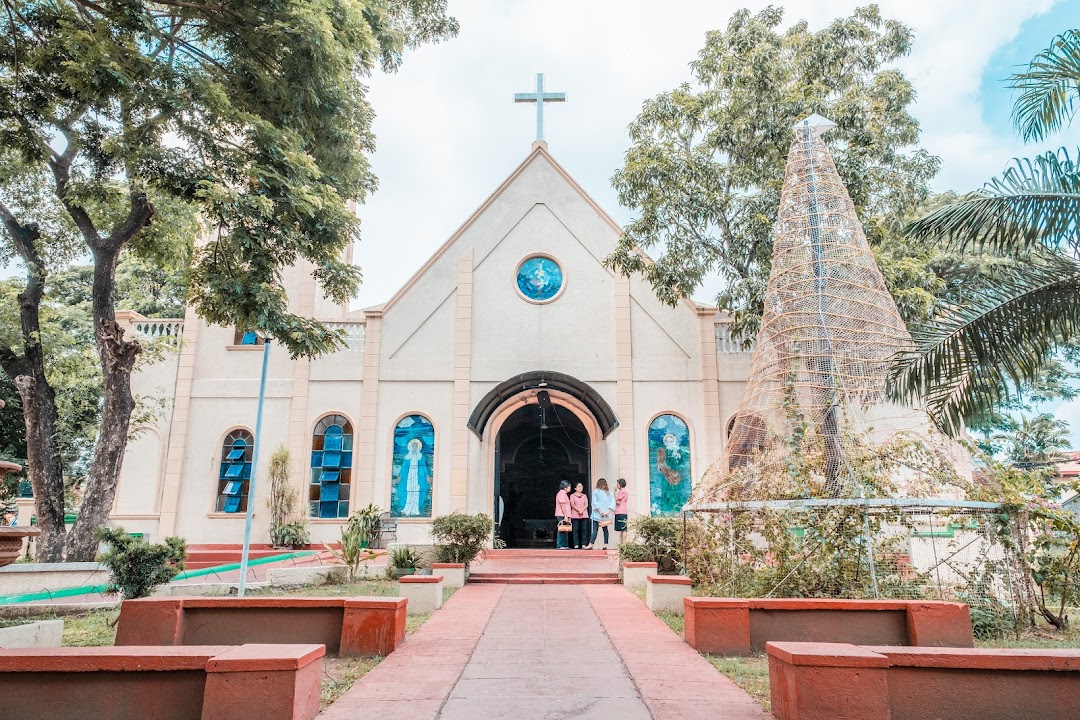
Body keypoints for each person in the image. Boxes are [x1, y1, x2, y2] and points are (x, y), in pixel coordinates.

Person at [586, 478, 614, 550]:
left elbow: (594, 502)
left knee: (595, 529)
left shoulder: (596, 491)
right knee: (605, 529)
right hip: (605, 515)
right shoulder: (609, 493)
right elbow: (612, 503)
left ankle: (591, 544)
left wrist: (599, 511)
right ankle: (605, 545)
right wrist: (608, 511)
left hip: (597, 514)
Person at [569, 482, 590, 550]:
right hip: (575, 514)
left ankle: (583, 544)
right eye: (579, 486)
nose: (581, 488)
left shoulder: (584, 495)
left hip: (584, 514)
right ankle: (576, 544)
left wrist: (582, 510)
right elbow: (572, 504)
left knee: (584, 529)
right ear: (575, 488)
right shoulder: (572, 496)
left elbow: (586, 504)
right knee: (575, 530)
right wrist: (578, 510)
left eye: (581, 486)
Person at [554, 481, 572, 550]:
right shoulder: (561, 493)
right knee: (561, 529)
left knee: (565, 529)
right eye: (569, 486)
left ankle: (564, 544)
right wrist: (565, 515)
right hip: (562, 514)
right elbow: (562, 505)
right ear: (565, 487)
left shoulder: (564, 494)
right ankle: (560, 545)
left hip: (565, 514)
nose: (570, 488)